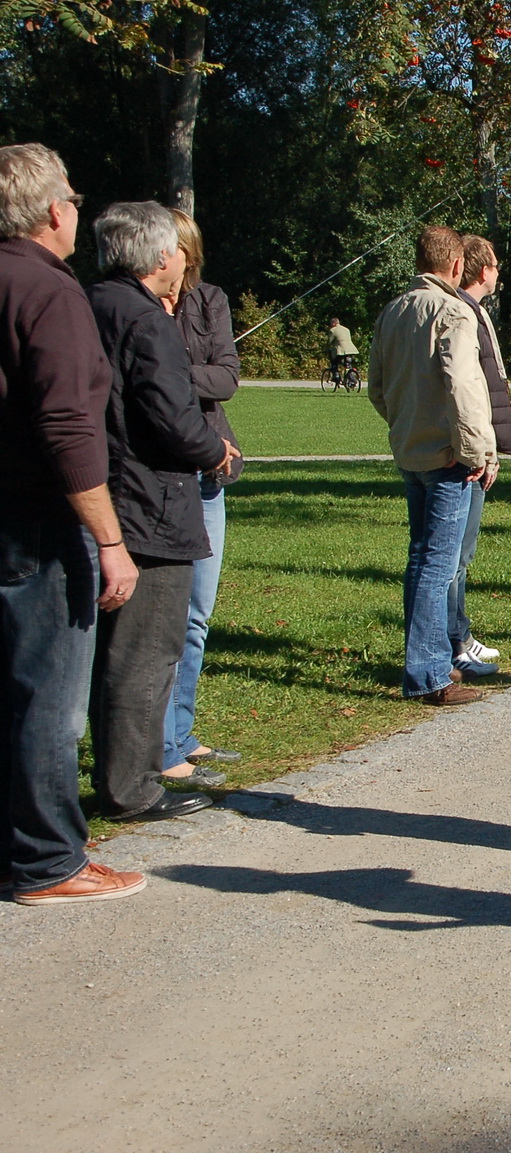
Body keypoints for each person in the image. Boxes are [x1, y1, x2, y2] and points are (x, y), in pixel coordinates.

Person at [0, 143, 149, 903]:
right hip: (38, 523)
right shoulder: (50, 293)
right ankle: (49, 860)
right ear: (55, 211)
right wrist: (109, 539)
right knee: (48, 696)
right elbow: (67, 426)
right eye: (73, 198)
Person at [87, 201, 238, 822]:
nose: (182, 259)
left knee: (116, 651)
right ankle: (134, 786)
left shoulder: (90, 302)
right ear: (158, 258)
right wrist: (214, 448)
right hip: (151, 502)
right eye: (175, 250)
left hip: (110, 492)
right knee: (148, 650)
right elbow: (170, 416)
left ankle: (122, 769)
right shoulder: (147, 320)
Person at [368, 225, 495, 705]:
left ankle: (429, 659)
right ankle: (427, 674)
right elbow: (464, 389)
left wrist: (405, 423)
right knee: (437, 565)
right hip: (448, 455)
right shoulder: (454, 311)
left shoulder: (394, 310)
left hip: (411, 450)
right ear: (457, 265)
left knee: (421, 559)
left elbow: (377, 387)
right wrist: (477, 451)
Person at [159, 208, 243, 787]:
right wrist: (185, 372)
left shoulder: (208, 300)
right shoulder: (132, 307)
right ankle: (159, 742)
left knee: (197, 614)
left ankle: (180, 730)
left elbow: (227, 377)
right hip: (163, 474)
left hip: (210, 468)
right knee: (162, 616)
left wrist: (167, 371)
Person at [447, 236, 511, 676]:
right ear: (481, 270)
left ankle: (457, 634)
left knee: (458, 554)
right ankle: (455, 640)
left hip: (475, 445)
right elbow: (469, 387)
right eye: (494, 264)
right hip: (470, 451)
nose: (498, 271)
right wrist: (485, 450)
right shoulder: (464, 313)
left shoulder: (473, 312)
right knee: (456, 555)